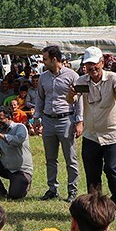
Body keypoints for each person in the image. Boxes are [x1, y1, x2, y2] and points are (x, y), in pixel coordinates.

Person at [71, 46, 116, 220]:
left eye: (95, 64)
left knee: (111, 168)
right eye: (88, 65)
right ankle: (95, 205)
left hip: (112, 134)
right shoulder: (81, 81)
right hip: (91, 134)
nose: (92, 69)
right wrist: (70, 95)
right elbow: (72, 99)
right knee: (92, 172)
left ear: (102, 63)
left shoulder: (113, 78)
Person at [36, 45, 80, 203]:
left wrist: (79, 121)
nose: (43, 62)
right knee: (50, 158)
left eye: (45, 59)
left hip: (65, 120)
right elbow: (40, 98)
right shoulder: (43, 77)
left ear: (54, 59)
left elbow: (79, 100)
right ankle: (52, 189)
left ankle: (72, 190)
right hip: (48, 120)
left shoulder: (72, 76)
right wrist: (36, 117)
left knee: (70, 158)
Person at [0, 106, 33, 200]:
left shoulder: (20, 127)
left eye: (0, 118)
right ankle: (0, 191)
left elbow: (18, 140)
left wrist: (0, 136)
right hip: (6, 168)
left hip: (21, 170)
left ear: (9, 117)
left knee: (14, 196)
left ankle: (25, 183)